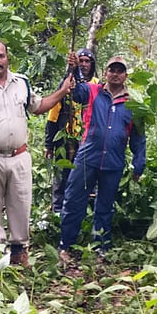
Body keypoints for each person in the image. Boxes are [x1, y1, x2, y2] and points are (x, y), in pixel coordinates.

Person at [0, 39, 73, 267]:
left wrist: (63, 91)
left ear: (7, 58)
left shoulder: (22, 84)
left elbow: (39, 106)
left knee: (21, 203)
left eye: (1, 56)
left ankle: (19, 252)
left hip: (19, 156)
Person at [58, 54, 146, 265]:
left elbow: (138, 136)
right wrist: (72, 69)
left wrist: (139, 162)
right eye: (112, 70)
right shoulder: (93, 90)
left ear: (125, 75)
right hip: (88, 156)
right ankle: (66, 245)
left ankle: (100, 247)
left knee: (105, 205)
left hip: (114, 161)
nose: (115, 74)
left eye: (120, 71)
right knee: (74, 199)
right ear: (105, 72)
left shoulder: (133, 102)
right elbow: (73, 91)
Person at [44, 48, 98, 212]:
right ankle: (57, 213)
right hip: (65, 139)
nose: (83, 64)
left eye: (87, 61)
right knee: (61, 177)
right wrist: (49, 144)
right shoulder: (66, 84)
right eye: (80, 61)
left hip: (87, 140)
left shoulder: (96, 85)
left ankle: (84, 214)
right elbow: (53, 115)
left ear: (92, 64)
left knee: (86, 178)